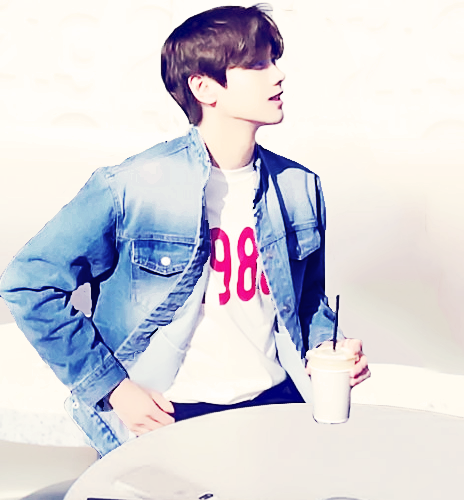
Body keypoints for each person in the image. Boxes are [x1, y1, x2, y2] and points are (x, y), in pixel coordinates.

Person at [0, 4, 370, 456]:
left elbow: (306, 300)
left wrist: (329, 348)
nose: (278, 75)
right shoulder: (132, 188)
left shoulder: (298, 187)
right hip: (170, 417)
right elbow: (27, 283)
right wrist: (114, 388)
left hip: (275, 407)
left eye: (273, 60)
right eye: (257, 65)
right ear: (203, 86)